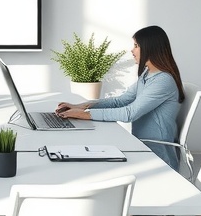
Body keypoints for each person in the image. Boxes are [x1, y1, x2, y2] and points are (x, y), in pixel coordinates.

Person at [56, 25, 184, 170]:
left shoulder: (163, 81)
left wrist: (84, 115)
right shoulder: (148, 74)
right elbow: (121, 101)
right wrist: (84, 106)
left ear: (150, 47)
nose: (132, 50)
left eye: (136, 45)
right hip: (141, 146)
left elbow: (129, 113)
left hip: (156, 156)